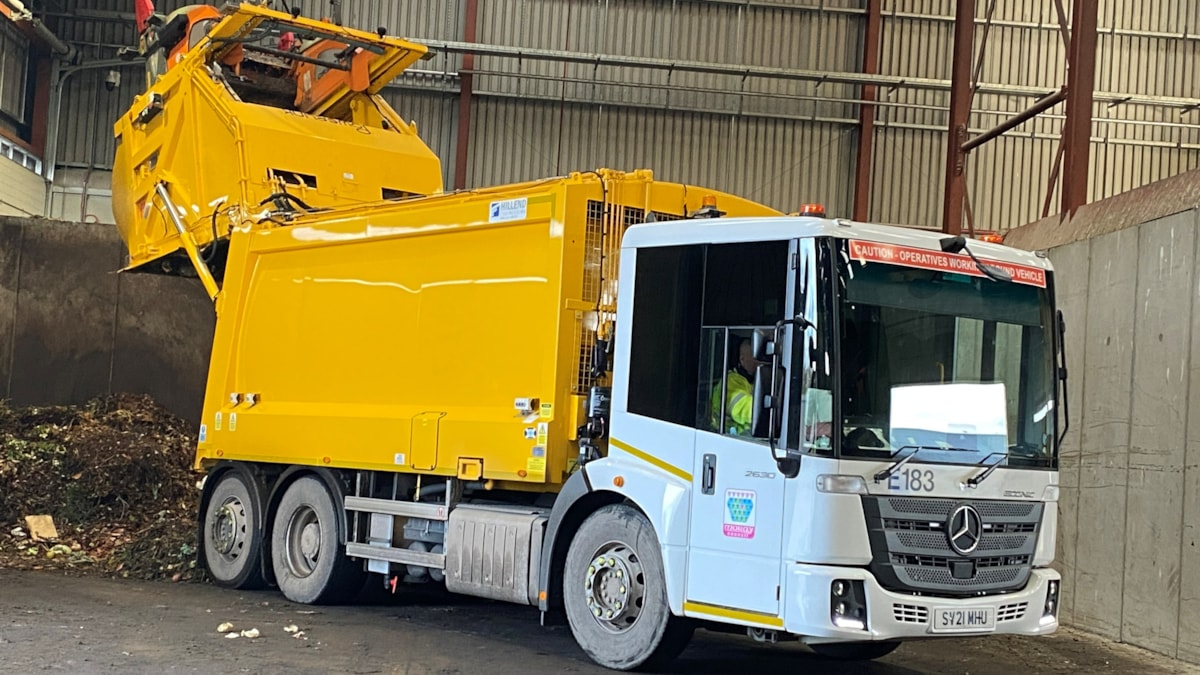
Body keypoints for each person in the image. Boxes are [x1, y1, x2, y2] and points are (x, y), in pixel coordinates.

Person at [711, 338, 761, 436]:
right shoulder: (731, 381)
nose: (760, 361)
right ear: (742, 359)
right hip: (725, 438)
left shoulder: (751, 381)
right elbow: (747, 410)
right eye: (756, 357)